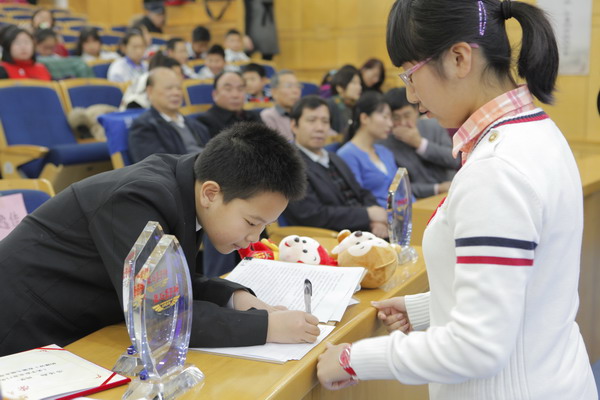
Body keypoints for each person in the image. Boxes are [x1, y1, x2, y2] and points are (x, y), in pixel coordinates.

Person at [317, 1, 597, 399]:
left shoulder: (497, 168)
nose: (410, 96)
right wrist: (429, 309)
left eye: (411, 76)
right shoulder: (534, 133)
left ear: (459, 58)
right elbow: (525, 284)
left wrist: (354, 359)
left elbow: (477, 346)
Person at [0, 122, 320, 357]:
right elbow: (160, 314)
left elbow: (170, 280)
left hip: (80, 324)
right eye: (252, 222)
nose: (254, 238)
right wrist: (267, 327)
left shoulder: (186, 185)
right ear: (211, 192)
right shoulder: (137, 199)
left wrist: (235, 298)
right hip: (24, 334)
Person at [283, 96, 388, 237]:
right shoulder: (289, 165)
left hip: (364, 231)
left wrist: (377, 220)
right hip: (330, 238)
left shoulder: (334, 157)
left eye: (325, 121)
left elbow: (361, 192)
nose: (320, 128)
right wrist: (367, 215)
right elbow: (312, 215)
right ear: (294, 125)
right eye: (311, 120)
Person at [382, 87, 460, 198]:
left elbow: (454, 160)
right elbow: (395, 186)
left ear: (416, 111)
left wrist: (420, 143)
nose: (403, 123)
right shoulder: (385, 143)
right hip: (417, 201)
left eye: (407, 115)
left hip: (451, 193)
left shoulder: (434, 126)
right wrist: (436, 188)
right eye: (396, 118)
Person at [128, 67, 210, 163]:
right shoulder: (144, 127)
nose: (176, 93)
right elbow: (154, 167)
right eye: (169, 88)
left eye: (179, 88)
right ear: (150, 91)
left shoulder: (197, 125)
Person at [336, 91, 396, 207]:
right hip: (376, 220)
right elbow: (357, 199)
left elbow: (401, 190)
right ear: (364, 118)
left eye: (391, 118)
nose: (390, 124)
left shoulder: (385, 152)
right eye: (385, 117)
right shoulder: (347, 155)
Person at [197, 71, 261, 139]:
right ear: (215, 94)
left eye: (240, 89)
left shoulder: (254, 117)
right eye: (228, 89)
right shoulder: (205, 122)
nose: (235, 95)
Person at [260, 70, 302, 141]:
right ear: (274, 92)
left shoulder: (304, 114)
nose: (295, 91)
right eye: (289, 86)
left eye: (297, 86)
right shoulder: (268, 116)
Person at [327, 65, 362, 135]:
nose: (359, 87)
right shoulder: (330, 105)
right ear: (339, 87)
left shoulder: (357, 106)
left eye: (359, 83)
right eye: (354, 83)